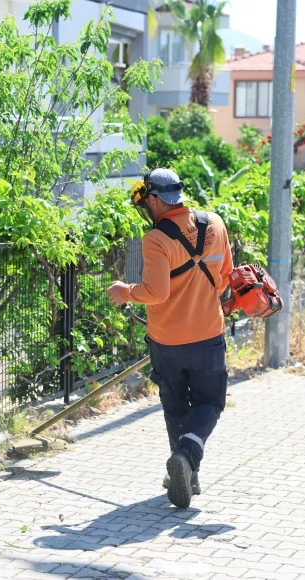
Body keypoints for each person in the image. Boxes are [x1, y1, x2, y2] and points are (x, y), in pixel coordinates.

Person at [106, 167, 233, 509]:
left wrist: (124, 292)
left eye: (146, 201)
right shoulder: (216, 224)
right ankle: (187, 464)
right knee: (209, 403)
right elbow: (224, 279)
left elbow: (156, 293)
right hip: (208, 334)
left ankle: (185, 463)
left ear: (155, 199)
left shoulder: (156, 239)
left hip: (168, 340)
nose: (145, 208)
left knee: (176, 403)